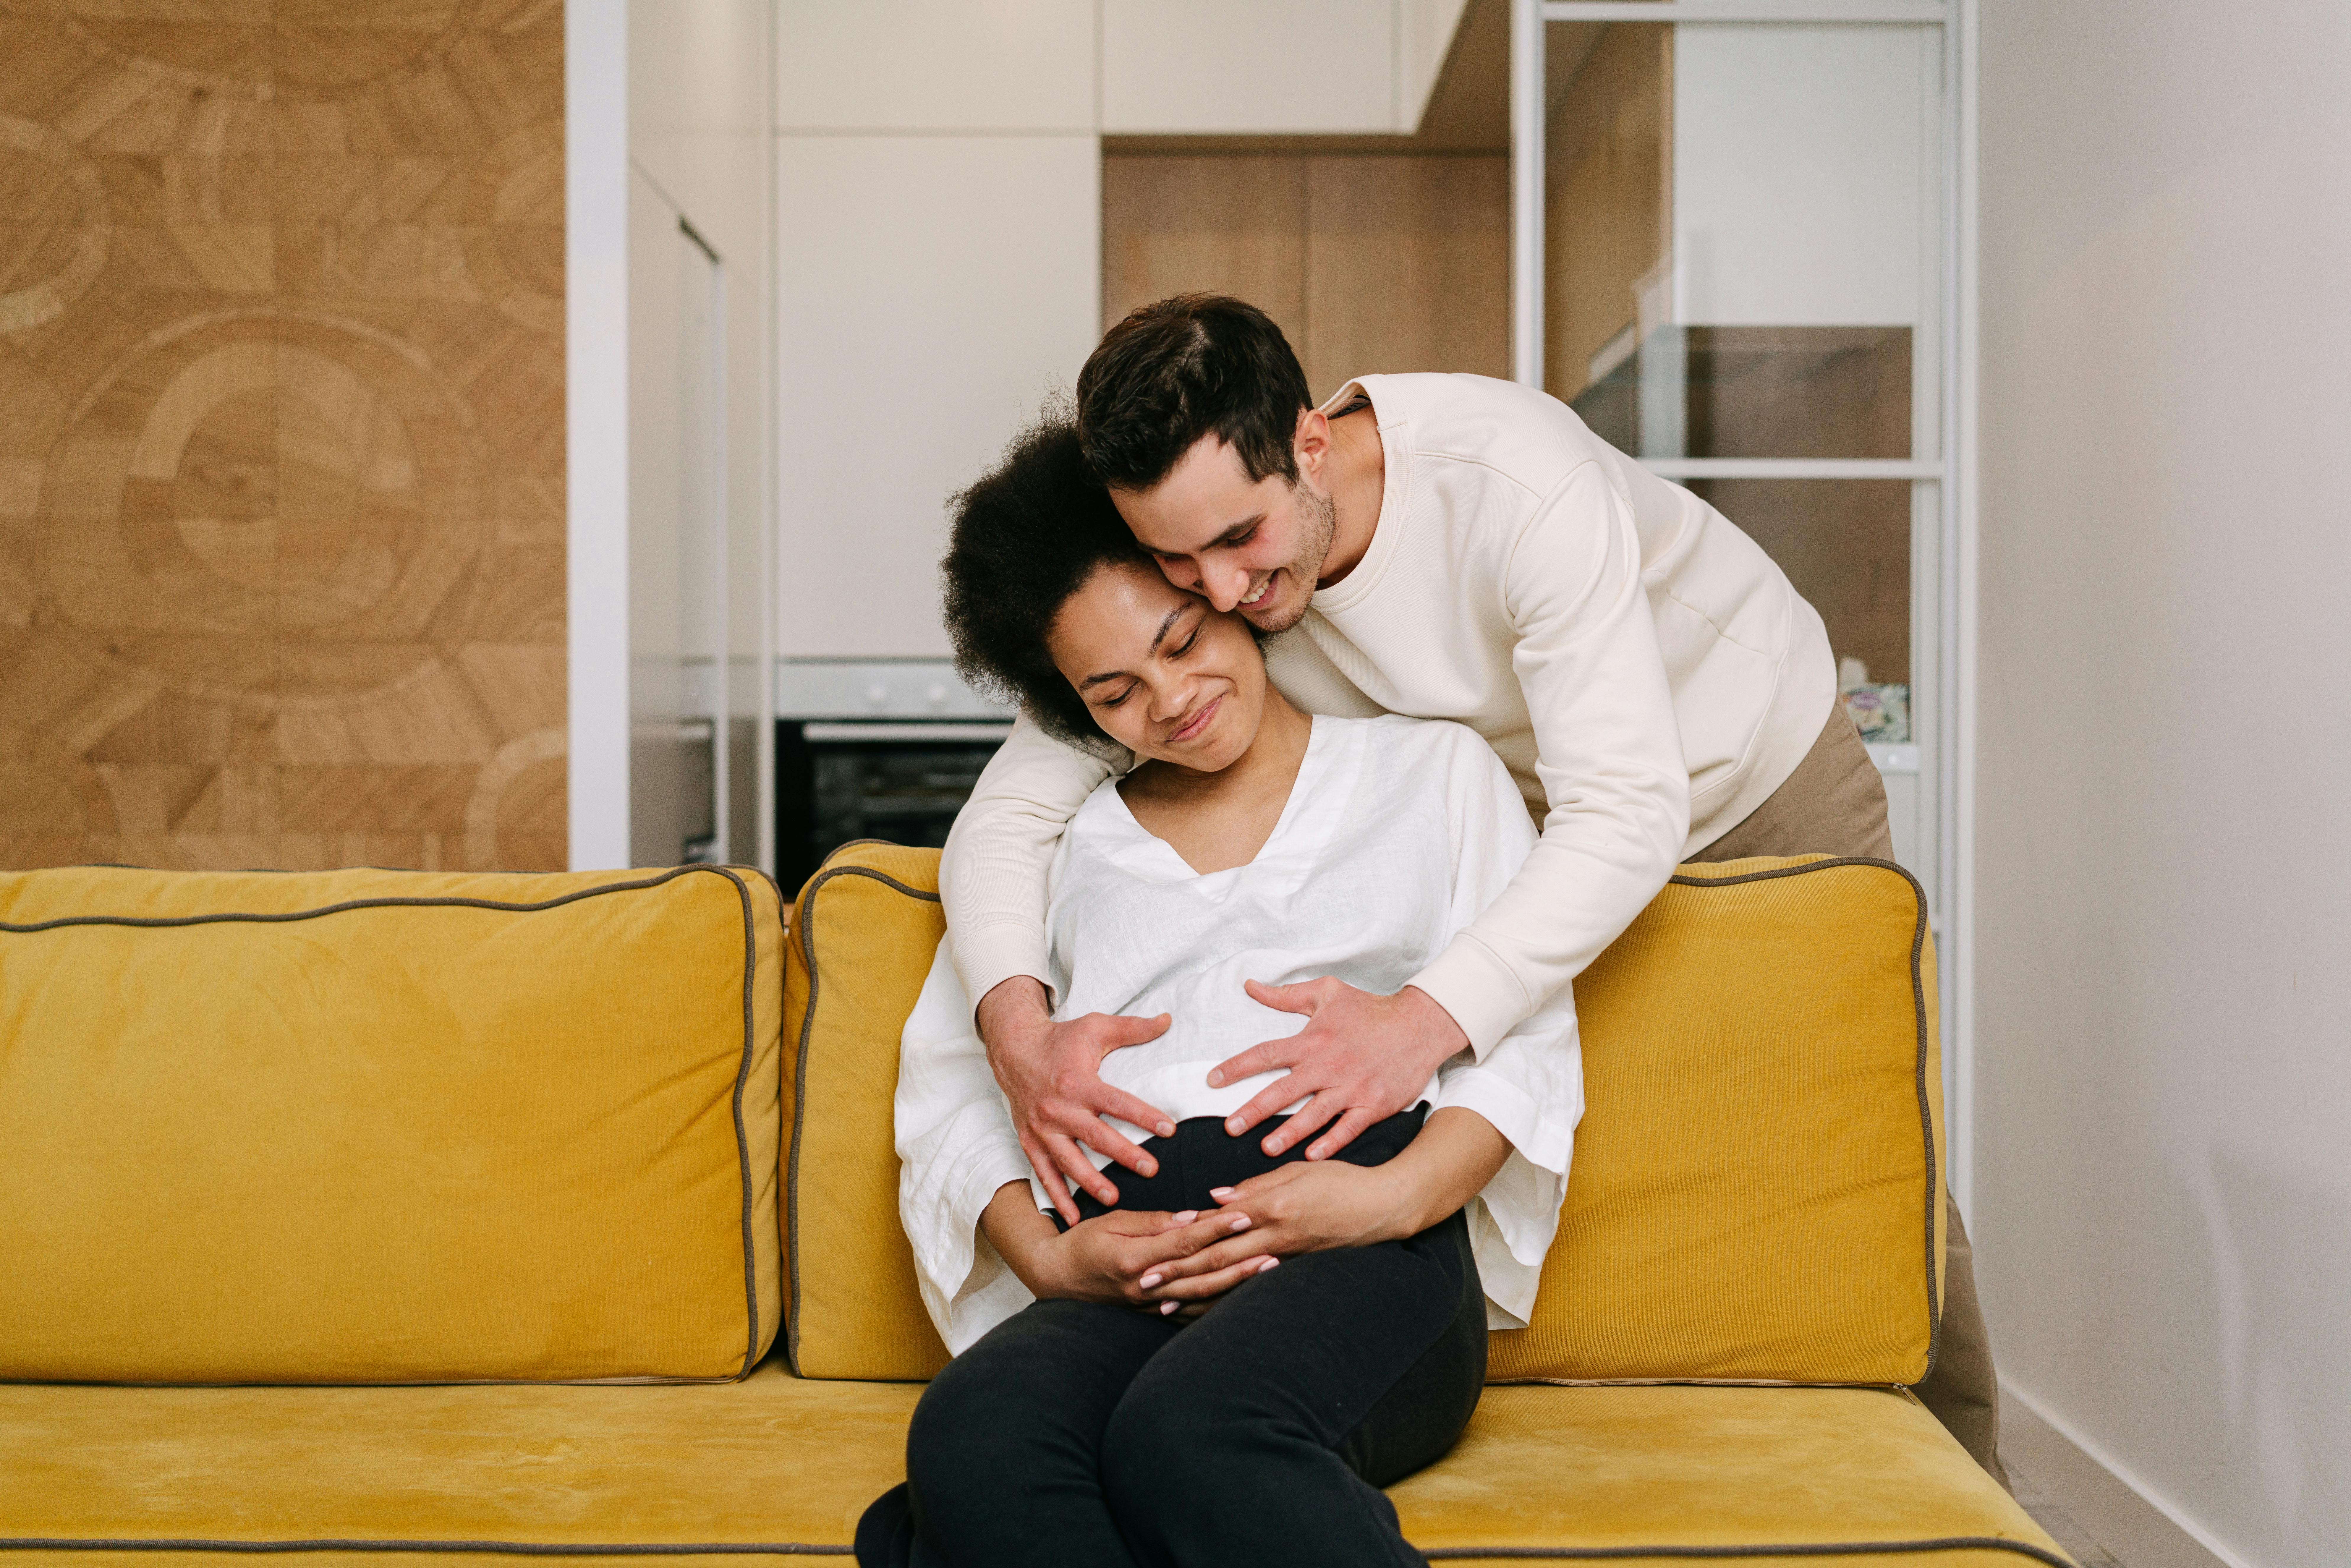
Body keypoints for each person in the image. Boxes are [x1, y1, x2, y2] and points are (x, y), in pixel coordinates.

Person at [940, 295, 2005, 1482]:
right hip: (1517, 806)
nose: (1218, 592)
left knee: (1856, 1146)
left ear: (1307, 443)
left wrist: (1418, 1023)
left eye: (1238, 543)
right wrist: (1017, 1032)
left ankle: (1970, 1488)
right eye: (1175, 564)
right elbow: (1006, 819)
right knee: (1559, 1107)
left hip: (1731, 772)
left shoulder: (1514, 482)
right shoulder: (1201, 575)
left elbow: (1626, 808)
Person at [856, 421, 1581, 1568]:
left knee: (1191, 1437)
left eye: (1181, 638)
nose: (1174, 699)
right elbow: (953, 1096)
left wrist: (1383, 1203)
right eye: (1114, 692)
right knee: (971, 1438)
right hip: (1123, 1275)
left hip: (1365, 1255)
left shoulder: (1430, 775)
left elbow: (1523, 1059)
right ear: (1070, 709)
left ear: (1220, 592)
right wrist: (1049, 1262)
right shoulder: (1061, 846)